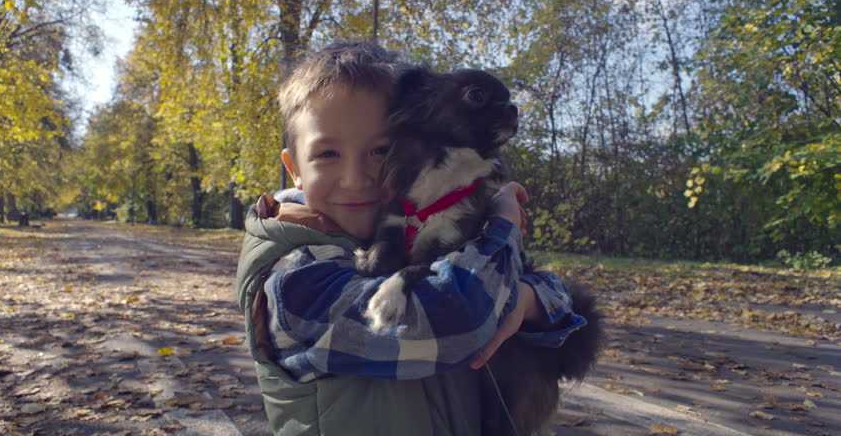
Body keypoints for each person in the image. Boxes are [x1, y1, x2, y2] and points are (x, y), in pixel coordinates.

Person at [235, 42, 588, 435]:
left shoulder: (405, 229)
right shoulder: (292, 279)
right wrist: (504, 228)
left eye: (380, 150)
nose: (357, 179)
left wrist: (528, 299)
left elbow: (566, 308)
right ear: (294, 168)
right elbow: (458, 320)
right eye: (328, 154)